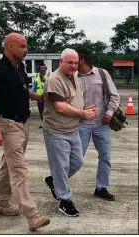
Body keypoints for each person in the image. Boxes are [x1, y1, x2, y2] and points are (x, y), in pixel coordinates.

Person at [0, 32, 50, 231]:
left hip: (23, 123)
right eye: (23, 45)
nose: (26, 49)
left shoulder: (20, 67)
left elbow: (22, 90)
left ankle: (0, 203)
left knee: (8, 165)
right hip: (8, 124)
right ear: (10, 47)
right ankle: (33, 215)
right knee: (19, 169)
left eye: (26, 45)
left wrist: (39, 98)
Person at [43, 48, 97, 216]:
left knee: (77, 162)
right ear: (61, 62)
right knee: (61, 166)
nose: (74, 66)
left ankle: (54, 180)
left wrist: (85, 109)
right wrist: (82, 113)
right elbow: (60, 106)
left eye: (76, 62)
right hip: (56, 130)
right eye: (70, 63)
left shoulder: (74, 76)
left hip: (73, 129)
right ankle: (64, 200)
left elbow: (74, 100)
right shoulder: (54, 79)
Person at [77, 47, 120, 201]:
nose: (73, 63)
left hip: (102, 123)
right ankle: (60, 186)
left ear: (82, 60)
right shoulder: (73, 77)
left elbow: (114, 96)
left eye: (75, 60)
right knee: (76, 158)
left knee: (105, 157)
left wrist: (108, 114)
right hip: (81, 124)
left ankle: (101, 188)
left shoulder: (101, 74)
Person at [32, 63, 50, 128]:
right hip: (39, 97)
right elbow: (34, 86)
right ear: (39, 69)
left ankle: (48, 124)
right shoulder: (36, 76)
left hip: (48, 97)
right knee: (41, 111)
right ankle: (44, 123)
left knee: (48, 111)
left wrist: (46, 80)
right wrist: (32, 95)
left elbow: (53, 84)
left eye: (44, 68)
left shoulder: (49, 75)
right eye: (41, 68)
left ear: (46, 69)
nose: (43, 69)